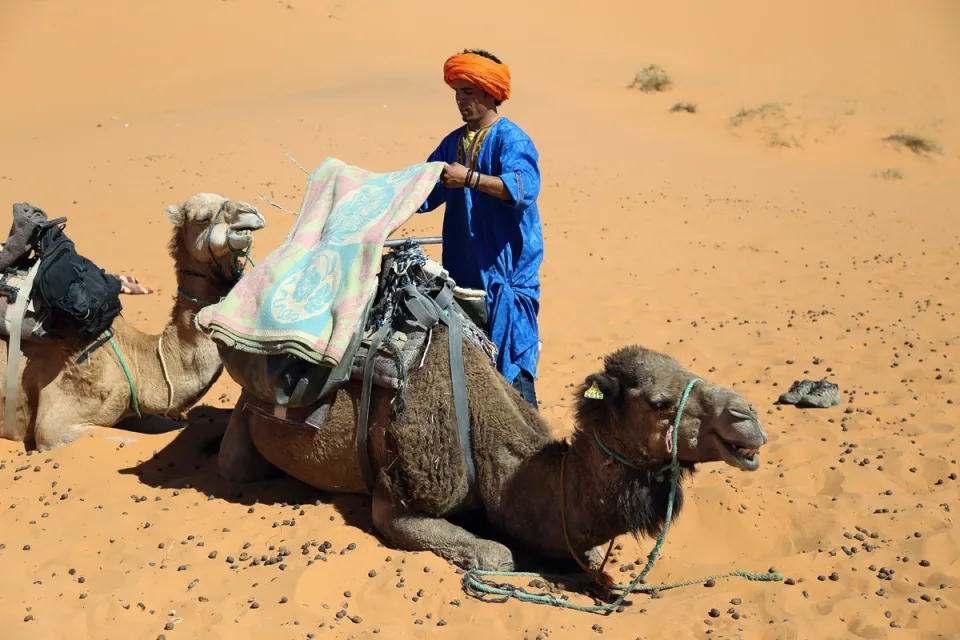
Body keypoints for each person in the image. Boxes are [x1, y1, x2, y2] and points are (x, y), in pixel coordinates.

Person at [417, 48, 543, 410]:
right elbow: (427, 190)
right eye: (457, 91)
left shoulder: (512, 139)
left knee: (515, 376)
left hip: (505, 279)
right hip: (462, 280)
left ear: (490, 93)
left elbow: (524, 187)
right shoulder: (453, 142)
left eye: (468, 91)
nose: (460, 100)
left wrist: (470, 178)